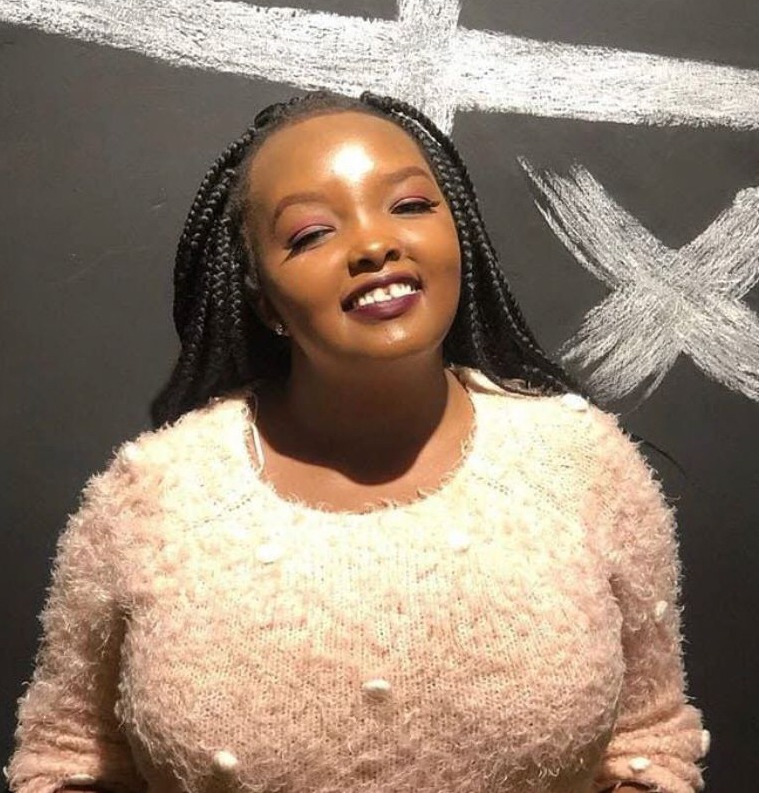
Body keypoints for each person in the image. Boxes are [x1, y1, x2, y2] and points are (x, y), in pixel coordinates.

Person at [6, 90, 709, 793]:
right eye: (311, 233)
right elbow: (67, 758)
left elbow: (647, 742)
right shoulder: (153, 496)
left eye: (410, 205)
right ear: (262, 297)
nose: (375, 245)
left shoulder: (582, 465)